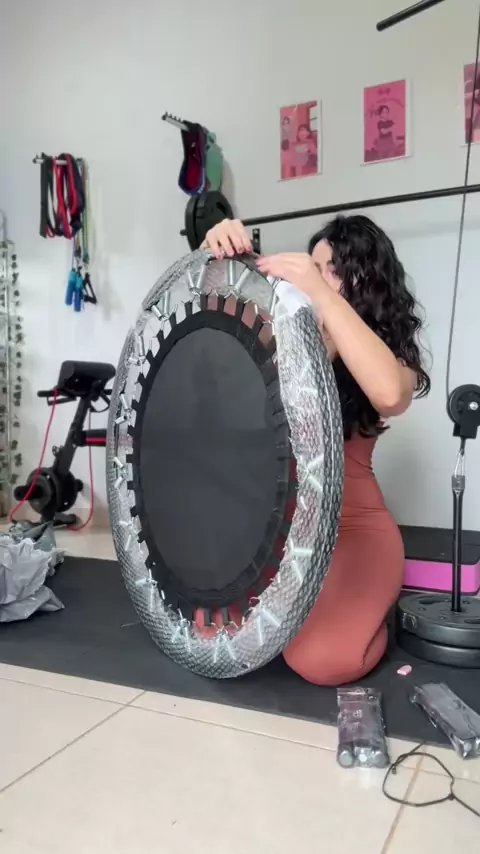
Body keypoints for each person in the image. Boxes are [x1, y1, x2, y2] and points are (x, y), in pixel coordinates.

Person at [203, 214, 430, 685]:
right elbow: (213, 347)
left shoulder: (391, 356)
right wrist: (216, 257)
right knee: (212, 633)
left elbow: (390, 395)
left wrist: (323, 296)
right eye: (314, 265)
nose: (314, 276)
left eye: (333, 270)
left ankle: (370, 611)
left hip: (354, 529)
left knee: (321, 661)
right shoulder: (280, 334)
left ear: (367, 281)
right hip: (278, 530)